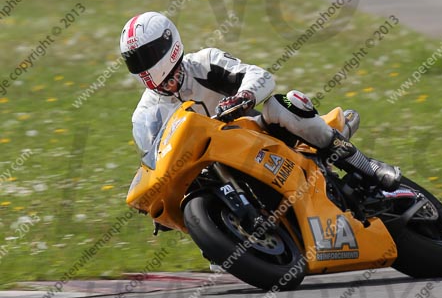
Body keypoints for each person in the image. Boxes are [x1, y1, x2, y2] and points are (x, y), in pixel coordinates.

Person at [119, 12, 401, 191]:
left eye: (146, 55)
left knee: (285, 103)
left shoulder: (204, 63)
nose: (142, 65)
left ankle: (368, 167)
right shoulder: (145, 115)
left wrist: (245, 95)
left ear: (169, 44)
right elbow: (155, 164)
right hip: (210, 171)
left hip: (254, 135)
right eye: (135, 61)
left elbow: (260, 75)